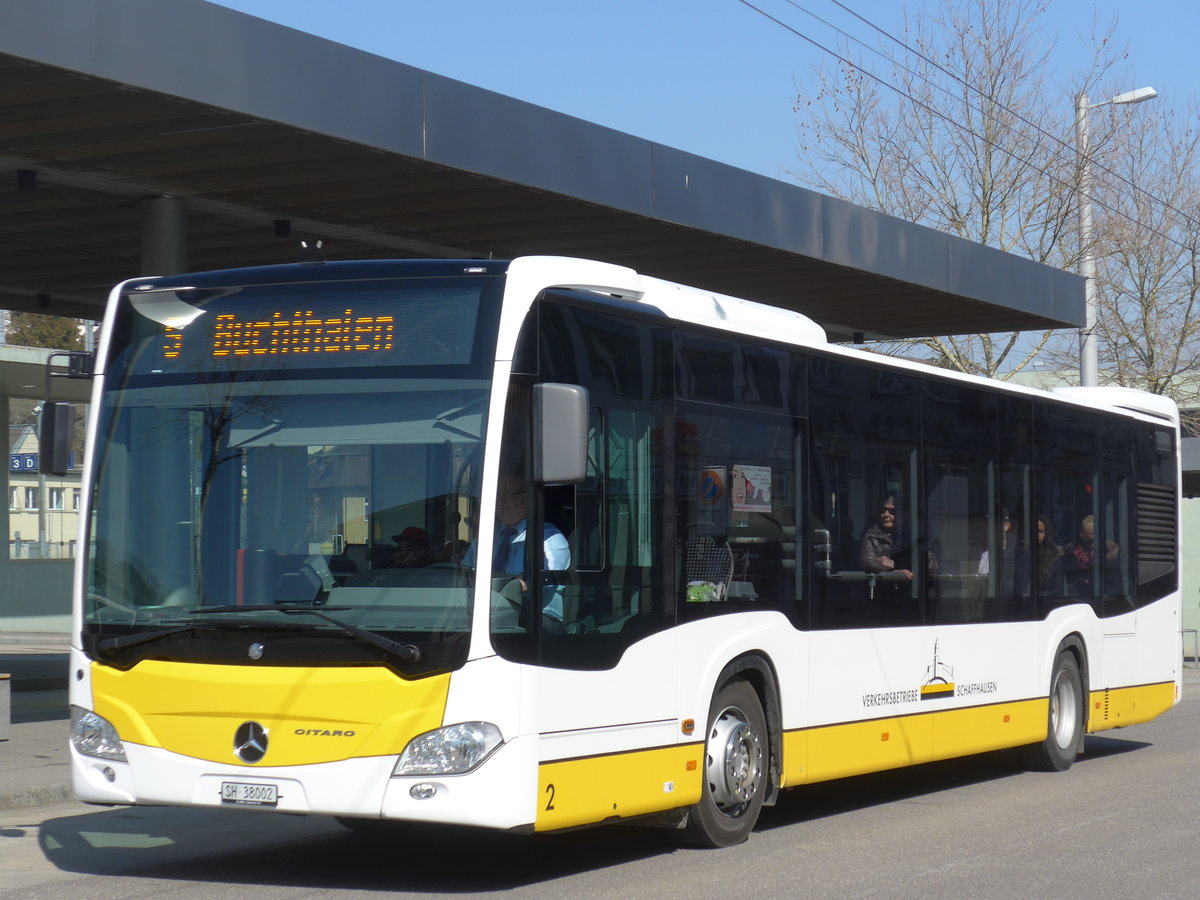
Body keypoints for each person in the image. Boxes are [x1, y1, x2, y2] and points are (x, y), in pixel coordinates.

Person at [490, 474, 571, 629]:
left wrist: (520, 584)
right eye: (497, 496)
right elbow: (467, 574)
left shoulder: (548, 538)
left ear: (526, 500)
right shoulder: (488, 537)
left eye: (506, 496)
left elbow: (545, 580)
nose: (500, 503)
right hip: (490, 612)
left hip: (538, 619)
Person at [860, 495, 913, 581]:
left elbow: (930, 566)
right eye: (883, 510)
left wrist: (894, 564)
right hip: (880, 589)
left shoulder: (914, 533)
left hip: (909, 591)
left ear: (904, 514)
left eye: (892, 511)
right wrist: (893, 572)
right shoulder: (870, 532)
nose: (885, 514)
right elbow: (867, 563)